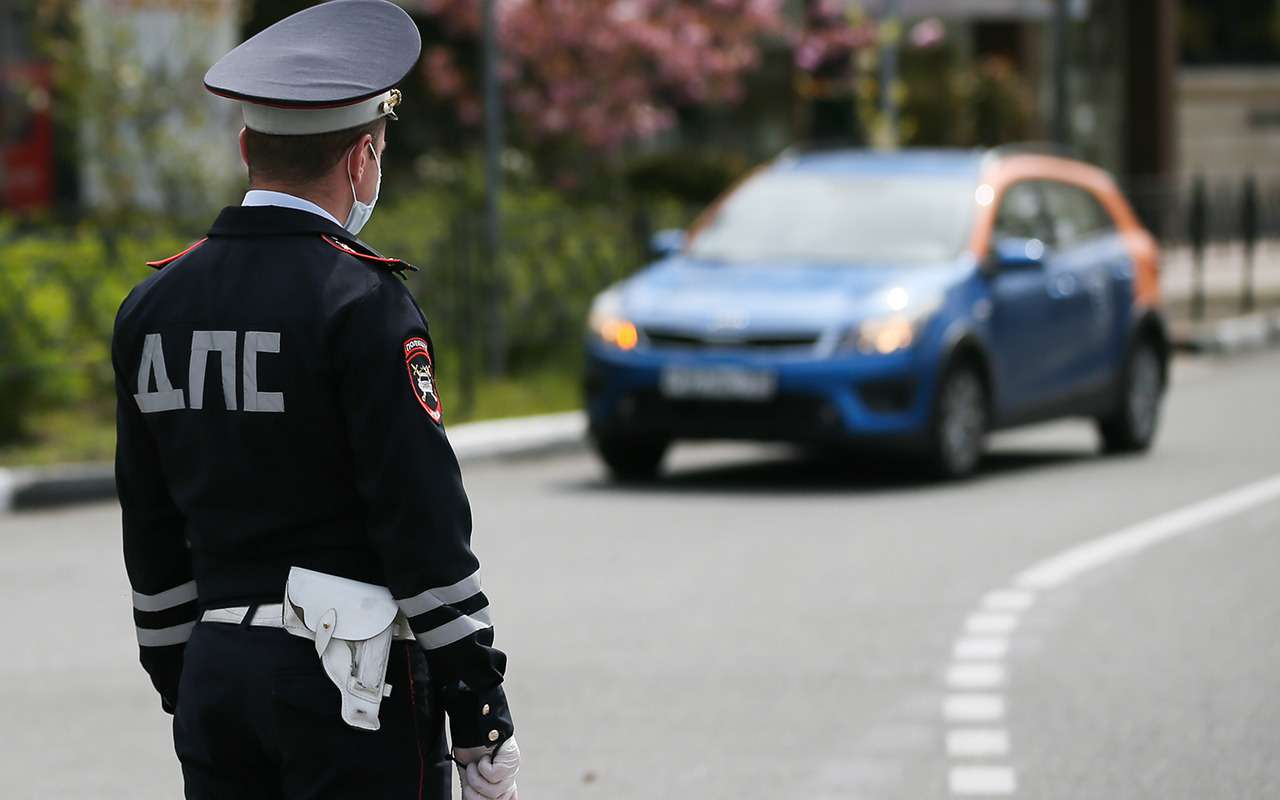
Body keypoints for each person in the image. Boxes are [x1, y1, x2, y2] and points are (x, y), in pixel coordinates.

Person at [111, 2, 519, 797]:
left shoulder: (153, 305)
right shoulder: (362, 302)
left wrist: (182, 675)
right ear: (363, 157)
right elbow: (420, 520)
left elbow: (150, 523)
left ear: (245, 147)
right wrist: (480, 706)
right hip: (352, 693)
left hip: (216, 677)